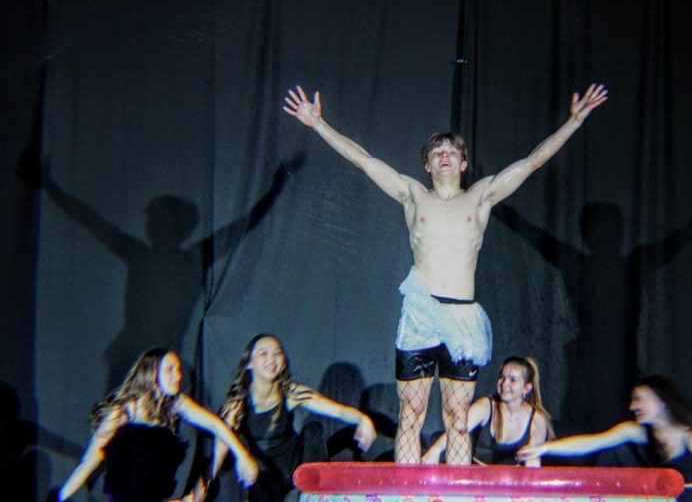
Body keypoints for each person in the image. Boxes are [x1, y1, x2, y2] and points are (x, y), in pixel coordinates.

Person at [283, 82, 608, 464]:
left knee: (457, 419)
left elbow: (532, 162)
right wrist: (319, 125)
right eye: (437, 152)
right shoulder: (412, 194)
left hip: (461, 317)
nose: (445, 156)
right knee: (412, 416)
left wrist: (573, 123)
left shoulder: (481, 195)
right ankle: (407, 495)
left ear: (464, 163)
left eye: (452, 151)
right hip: (421, 314)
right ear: (427, 165)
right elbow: (365, 160)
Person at [57, 349, 257, 502]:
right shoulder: (121, 413)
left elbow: (215, 424)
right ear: (151, 373)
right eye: (170, 370)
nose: (177, 376)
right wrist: (60, 497)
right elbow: (87, 465)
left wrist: (242, 456)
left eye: (178, 370)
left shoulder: (175, 403)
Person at [196, 334, 377, 502]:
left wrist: (362, 419)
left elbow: (337, 411)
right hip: (265, 476)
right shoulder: (237, 406)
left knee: (313, 429)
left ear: (283, 362)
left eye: (277, 354)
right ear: (249, 363)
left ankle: (315, 495)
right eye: (263, 354)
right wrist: (196, 496)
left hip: (296, 468)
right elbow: (217, 455)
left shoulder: (291, 393)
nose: (271, 359)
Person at [517, 375, 692, 498]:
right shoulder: (638, 432)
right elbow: (593, 442)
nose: (632, 406)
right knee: (615, 453)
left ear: (661, 401)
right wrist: (546, 448)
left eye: (639, 399)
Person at [422, 356, 553, 466]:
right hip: (474, 475)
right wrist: (435, 450)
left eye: (512, 380)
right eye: (502, 377)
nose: (504, 383)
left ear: (526, 388)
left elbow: (533, 461)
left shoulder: (537, 419)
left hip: (508, 484)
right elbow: (457, 429)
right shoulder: (486, 406)